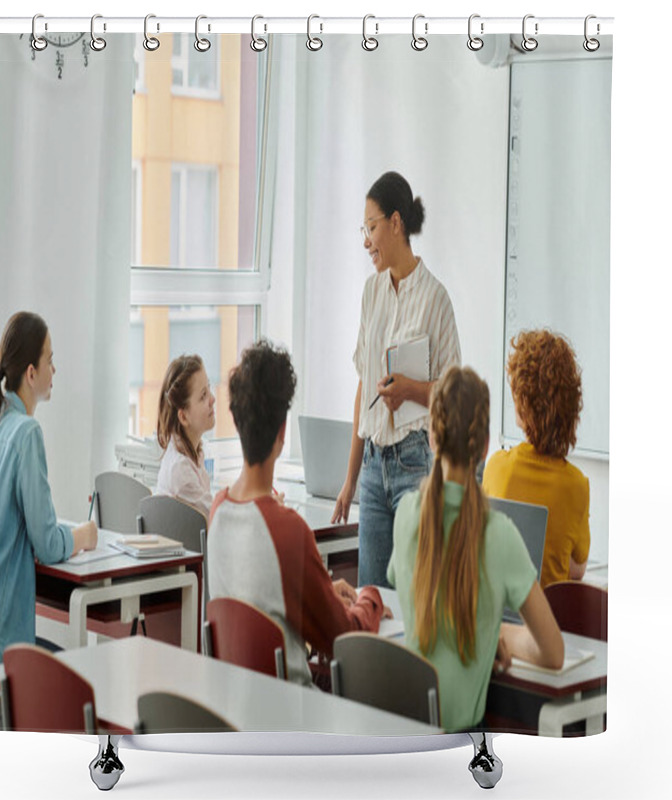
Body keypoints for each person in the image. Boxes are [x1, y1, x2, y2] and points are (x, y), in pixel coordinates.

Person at [388, 366, 564, 732]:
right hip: (459, 752)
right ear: (484, 446)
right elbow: (553, 652)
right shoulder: (500, 535)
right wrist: (498, 634)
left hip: (404, 741)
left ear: (432, 438)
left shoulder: (406, 514)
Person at [207, 340, 388, 687]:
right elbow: (343, 639)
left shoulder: (218, 511)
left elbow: (258, 603)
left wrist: (319, 590)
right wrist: (371, 597)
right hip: (292, 716)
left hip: (238, 715)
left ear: (236, 420)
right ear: (281, 433)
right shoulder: (287, 530)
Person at [333, 171, 461, 588]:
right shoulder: (371, 292)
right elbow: (362, 386)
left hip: (415, 462)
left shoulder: (436, 298)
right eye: (363, 230)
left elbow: (454, 396)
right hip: (372, 466)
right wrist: (350, 480)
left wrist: (410, 389)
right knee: (371, 598)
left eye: (371, 228)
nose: (366, 241)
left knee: (411, 598)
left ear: (396, 223)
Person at [0, 312, 98, 665]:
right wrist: (85, 536)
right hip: (0, 641)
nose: (54, 370)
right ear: (31, 372)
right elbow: (48, 544)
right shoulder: (26, 433)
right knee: (82, 673)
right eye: (50, 360)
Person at [483, 329, 590, 588]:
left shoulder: (497, 467)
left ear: (522, 402)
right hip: (548, 624)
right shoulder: (577, 485)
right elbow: (577, 571)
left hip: (500, 622)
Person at [156, 354, 216, 518]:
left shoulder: (192, 453)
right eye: (203, 395)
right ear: (183, 417)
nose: (213, 399)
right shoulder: (180, 470)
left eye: (209, 388)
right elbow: (217, 518)